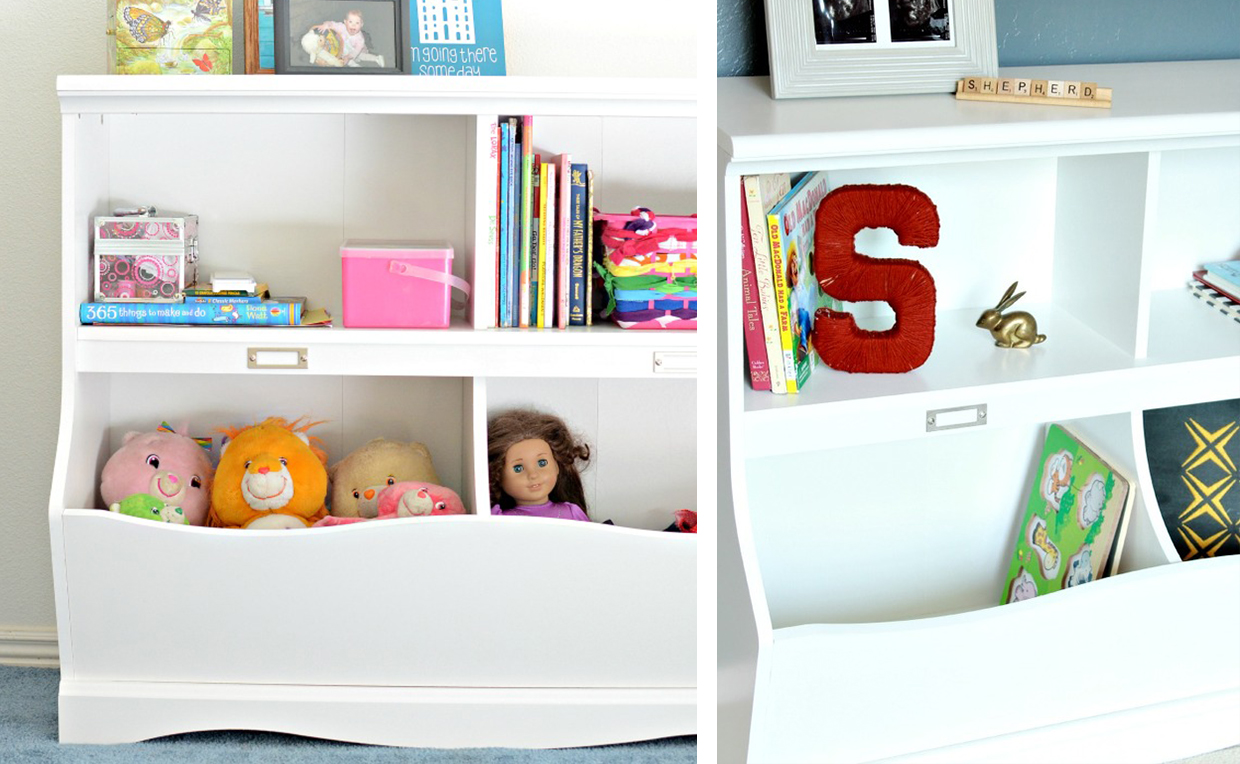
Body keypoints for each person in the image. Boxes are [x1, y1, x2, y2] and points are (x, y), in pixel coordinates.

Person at [488, 409, 591, 521]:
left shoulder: (572, 513)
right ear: (497, 475)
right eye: (518, 468)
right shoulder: (499, 519)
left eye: (542, 463)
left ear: (557, 466)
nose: (533, 475)